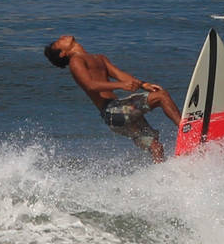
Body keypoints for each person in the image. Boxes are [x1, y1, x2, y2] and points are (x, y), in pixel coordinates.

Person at [44, 35, 181, 162]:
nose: (62, 37)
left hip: (118, 113)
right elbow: (90, 85)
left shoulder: (99, 58)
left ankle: (162, 177)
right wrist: (121, 85)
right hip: (113, 111)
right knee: (161, 96)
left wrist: (143, 85)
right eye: (59, 41)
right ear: (63, 53)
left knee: (156, 147)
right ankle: (185, 128)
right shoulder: (76, 61)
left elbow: (120, 75)